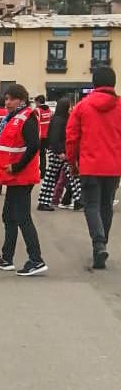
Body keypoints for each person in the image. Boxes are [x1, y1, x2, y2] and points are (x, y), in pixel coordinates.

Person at [66, 65, 121, 269]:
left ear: (94, 83)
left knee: (91, 205)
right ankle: (102, 243)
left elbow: (71, 137)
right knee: (106, 206)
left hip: (89, 164)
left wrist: (72, 162)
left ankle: (98, 243)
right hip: (114, 166)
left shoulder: (82, 106)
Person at [0, 83, 47, 276]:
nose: (7, 103)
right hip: (14, 177)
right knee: (9, 215)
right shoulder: (14, 117)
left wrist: (17, 167)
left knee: (22, 217)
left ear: (21, 100)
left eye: (10, 99)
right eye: (6, 99)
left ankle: (36, 259)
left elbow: (33, 146)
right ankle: (7, 257)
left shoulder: (27, 118)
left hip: (22, 176)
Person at [37, 98, 82, 211]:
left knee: (69, 176)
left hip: (60, 152)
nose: (71, 108)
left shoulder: (58, 119)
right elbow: (55, 138)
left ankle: (79, 200)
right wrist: (60, 151)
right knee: (61, 176)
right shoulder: (59, 120)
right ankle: (79, 200)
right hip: (59, 153)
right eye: (69, 106)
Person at [35, 95, 52, 178]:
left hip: (40, 136)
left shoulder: (37, 110)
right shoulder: (49, 110)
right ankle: (43, 171)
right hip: (47, 136)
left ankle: (37, 172)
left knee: (36, 155)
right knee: (43, 155)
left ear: (38, 102)